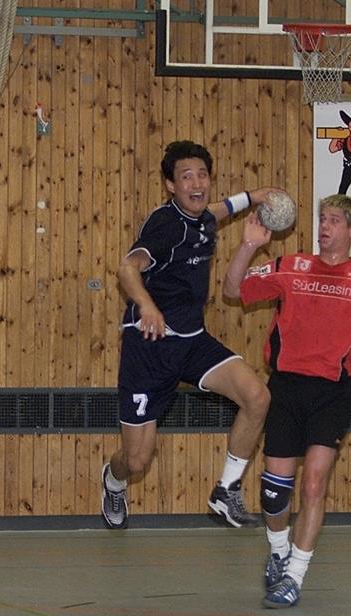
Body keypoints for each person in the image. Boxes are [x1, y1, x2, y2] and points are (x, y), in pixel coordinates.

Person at [223, 193, 351, 608]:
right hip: (285, 388)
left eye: (334, 220)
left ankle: (295, 575)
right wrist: (248, 245)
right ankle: (278, 552)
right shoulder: (290, 266)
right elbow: (232, 290)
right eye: (321, 219)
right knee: (274, 495)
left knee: (314, 483)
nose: (324, 227)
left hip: (331, 393)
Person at [100, 139, 274, 530]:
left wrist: (253, 196)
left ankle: (226, 490)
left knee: (258, 397)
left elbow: (216, 211)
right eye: (185, 176)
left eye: (202, 174)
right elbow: (127, 268)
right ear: (170, 185)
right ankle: (114, 480)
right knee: (137, 461)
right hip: (150, 348)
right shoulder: (165, 224)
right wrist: (146, 305)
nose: (196, 183)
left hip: (192, 341)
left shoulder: (201, 218)